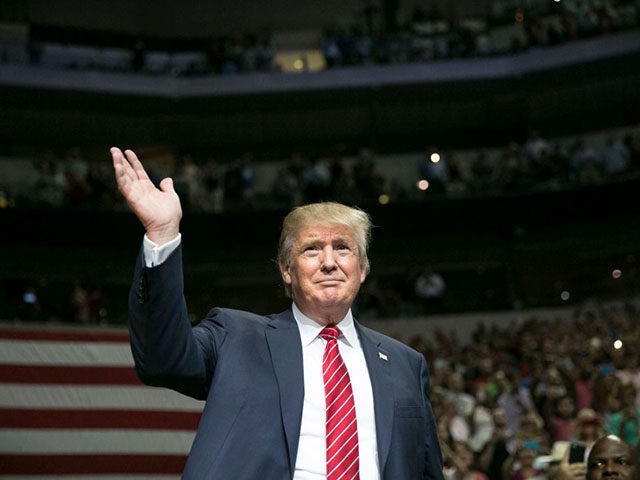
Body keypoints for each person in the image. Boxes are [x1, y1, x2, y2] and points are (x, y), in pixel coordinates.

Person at [110, 147, 444, 480]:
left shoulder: (406, 364)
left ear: (362, 269)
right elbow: (161, 359)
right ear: (286, 269)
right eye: (312, 249)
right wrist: (162, 235)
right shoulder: (235, 338)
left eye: (342, 248)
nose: (329, 262)